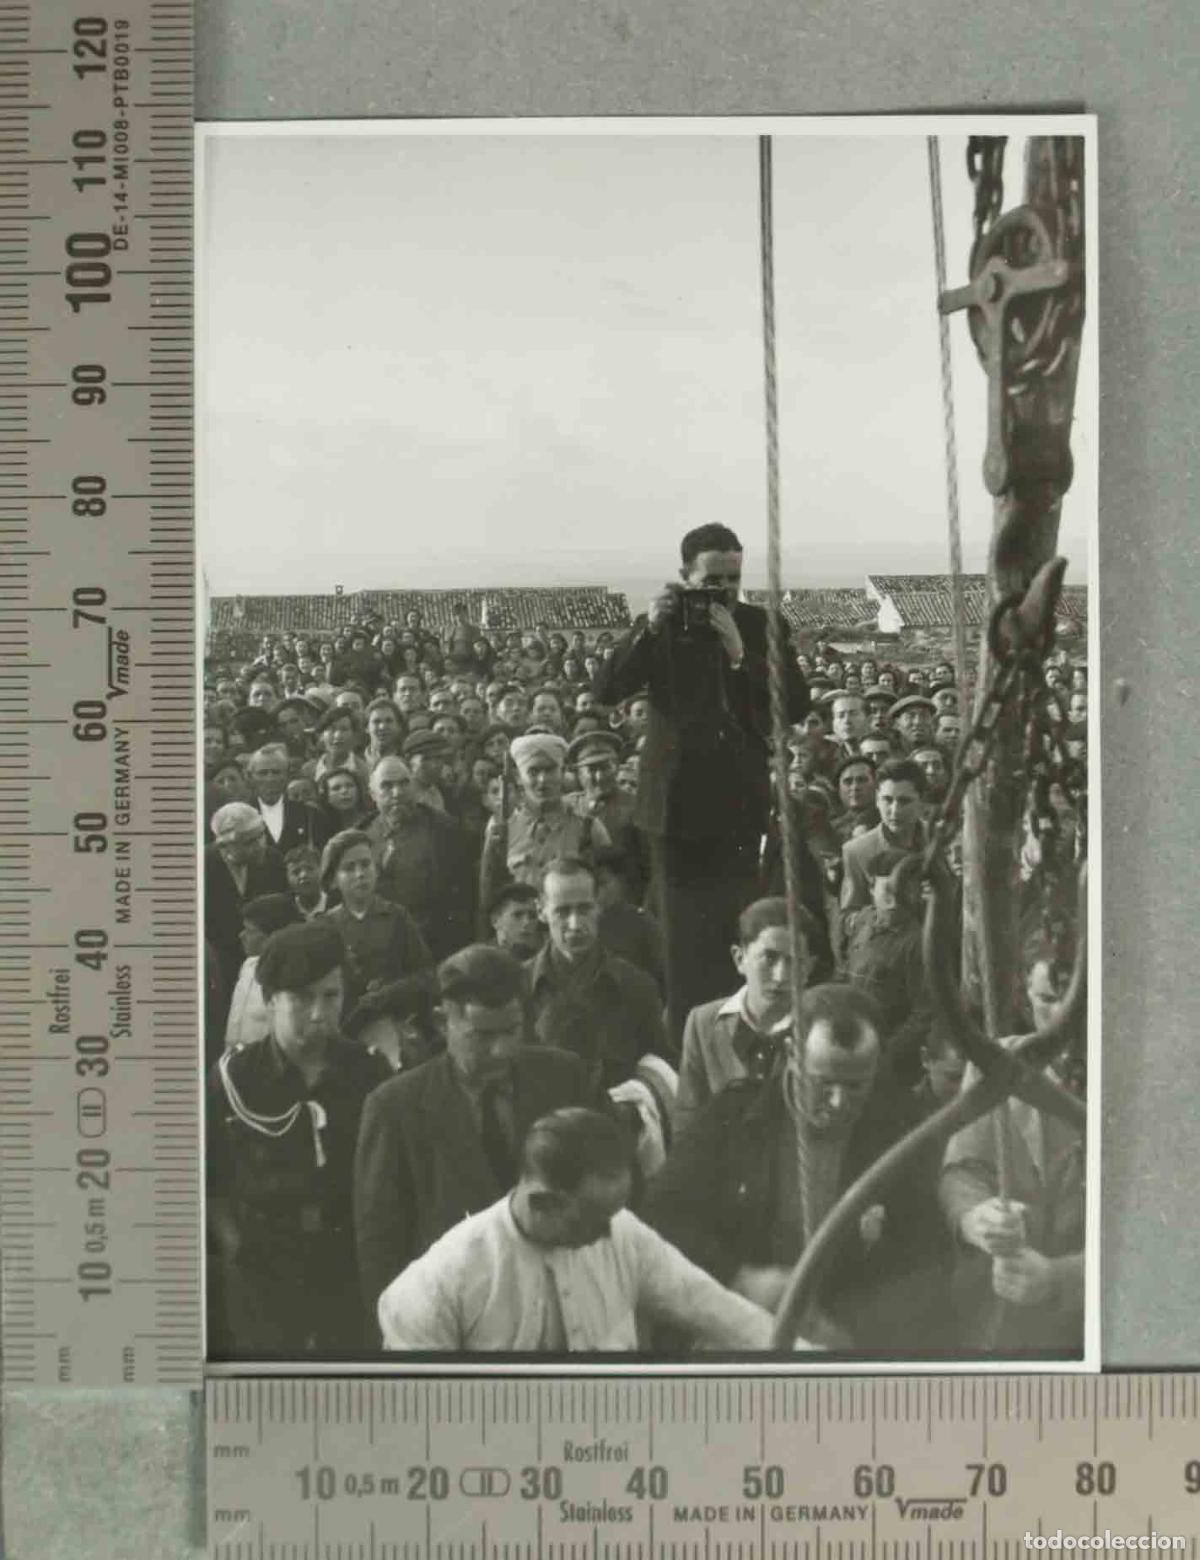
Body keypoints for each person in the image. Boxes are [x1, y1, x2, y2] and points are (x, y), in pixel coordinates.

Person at [644, 983, 950, 1353]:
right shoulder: (734, 1118)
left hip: (847, 1347)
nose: (839, 1102)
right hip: (735, 1331)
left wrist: (851, 1333)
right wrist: (741, 1277)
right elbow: (662, 1219)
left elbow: (926, 1259)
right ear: (792, 1053)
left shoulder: (900, 1131)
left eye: (856, 1085)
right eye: (823, 1083)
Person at [595, 523, 809, 1045]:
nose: (724, 592)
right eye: (712, 579)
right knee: (682, 950)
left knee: (739, 939)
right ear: (684, 577)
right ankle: (688, 1051)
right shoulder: (664, 628)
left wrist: (742, 656)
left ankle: (743, 1043)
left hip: (738, 811)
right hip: (674, 815)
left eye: (733, 579)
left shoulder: (762, 625)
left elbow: (794, 706)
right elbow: (606, 689)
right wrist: (646, 627)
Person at [376, 1108, 779, 1353]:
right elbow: (421, 1425)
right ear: (543, 1202)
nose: (607, 1234)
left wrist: (814, 1358)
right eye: (594, 1219)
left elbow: (716, 1310)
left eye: (615, 1214)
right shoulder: (435, 1286)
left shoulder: (624, 1233)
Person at [353, 945, 605, 1325]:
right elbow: (380, 1248)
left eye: (512, 1030)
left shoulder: (565, 1078)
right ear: (442, 1022)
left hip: (566, 1314)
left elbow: (613, 1189)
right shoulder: (395, 1108)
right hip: (458, 1324)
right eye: (482, 1035)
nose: (502, 1050)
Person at [207, 921, 392, 1357]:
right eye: (302, 997)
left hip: (347, 1271)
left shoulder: (370, 1076)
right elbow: (209, 1182)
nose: (318, 1013)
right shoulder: (233, 1081)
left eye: (331, 997)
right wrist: (236, 1246)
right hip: (263, 1274)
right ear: (270, 1002)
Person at [939, 948, 1085, 1353]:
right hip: (1007, 1318)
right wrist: (977, 1218)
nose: (1063, 1017)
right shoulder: (996, 1059)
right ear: (1025, 994)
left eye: (1078, 999)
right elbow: (962, 1172)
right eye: (1048, 999)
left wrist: (1063, 1278)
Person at [675, 898, 818, 1139]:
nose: (781, 975)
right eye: (769, 958)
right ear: (740, 958)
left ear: (808, 969)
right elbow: (688, 1124)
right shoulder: (704, 1023)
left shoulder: (819, 1027)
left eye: (793, 961)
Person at [523, 857, 669, 1089]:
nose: (575, 924)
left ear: (598, 906)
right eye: (562, 911)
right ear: (541, 911)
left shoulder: (636, 987)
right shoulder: (518, 987)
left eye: (584, 909)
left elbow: (659, 1075)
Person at [363, 756, 477, 960]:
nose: (397, 793)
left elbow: (464, 898)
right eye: (387, 786)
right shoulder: (363, 834)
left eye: (404, 784)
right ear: (373, 794)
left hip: (433, 946)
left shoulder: (444, 830)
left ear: (414, 787)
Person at [480, 733, 610, 898]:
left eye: (550, 770)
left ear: (563, 771)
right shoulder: (501, 827)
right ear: (519, 777)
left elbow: (606, 892)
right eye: (533, 772)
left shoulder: (587, 827)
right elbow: (489, 892)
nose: (542, 780)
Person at [204, 802, 289, 1053]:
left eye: (261, 836)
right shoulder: (201, 866)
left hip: (262, 964)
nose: (261, 845)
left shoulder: (273, 861)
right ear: (225, 846)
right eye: (250, 842)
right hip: (218, 966)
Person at [320, 830, 433, 1014]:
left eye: (366, 864)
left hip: (396, 1018)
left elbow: (426, 976)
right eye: (349, 868)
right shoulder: (326, 927)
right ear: (333, 879)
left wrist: (390, 993)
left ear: (376, 869)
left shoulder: (397, 917)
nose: (359, 874)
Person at [842, 851, 930, 1086]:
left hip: (888, 1059)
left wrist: (885, 1053)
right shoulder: (863, 921)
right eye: (887, 891)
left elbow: (923, 1014)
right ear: (871, 889)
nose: (896, 901)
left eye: (904, 891)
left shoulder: (918, 942)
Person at [839, 758, 927, 935]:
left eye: (905, 801)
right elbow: (847, 919)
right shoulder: (857, 851)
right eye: (887, 800)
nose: (894, 811)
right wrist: (876, 916)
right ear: (877, 800)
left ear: (921, 801)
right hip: (886, 950)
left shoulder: (942, 842)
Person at [223, 892, 302, 1050]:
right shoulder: (248, 966)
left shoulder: (289, 979)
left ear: (272, 937)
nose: (241, 935)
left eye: (250, 931)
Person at [246, 743, 329, 854]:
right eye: (263, 773)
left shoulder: (310, 815)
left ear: (287, 775)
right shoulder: (242, 817)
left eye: (276, 772)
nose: (270, 779)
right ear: (251, 777)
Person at [488, 881, 544, 961]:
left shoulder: (543, 959)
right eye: (517, 915)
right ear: (495, 921)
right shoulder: (481, 959)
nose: (527, 922)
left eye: (533, 916)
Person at [833, 754, 879, 842]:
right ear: (839, 789)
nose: (855, 787)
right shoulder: (831, 829)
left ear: (876, 784)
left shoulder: (890, 822)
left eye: (862, 780)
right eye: (848, 782)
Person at [316, 765, 374, 834]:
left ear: (358, 790)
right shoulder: (322, 830)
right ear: (326, 796)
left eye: (350, 785)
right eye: (336, 788)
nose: (344, 791)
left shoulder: (375, 821)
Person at [283, 844, 331, 920]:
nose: (303, 875)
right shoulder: (282, 913)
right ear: (287, 878)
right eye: (296, 872)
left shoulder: (338, 906)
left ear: (322, 871)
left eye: (310, 869)